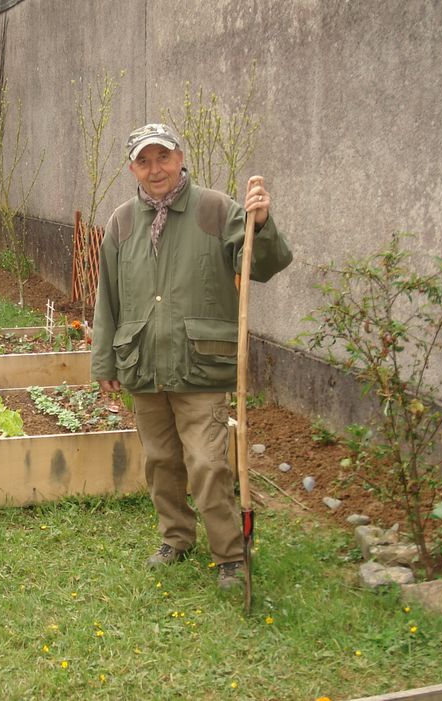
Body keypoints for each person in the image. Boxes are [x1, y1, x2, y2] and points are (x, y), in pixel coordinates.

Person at [90, 123, 292, 590]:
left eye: (163, 157)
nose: (155, 169)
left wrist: (259, 226)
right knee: (160, 461)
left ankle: (229, 556)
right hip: (143, 364)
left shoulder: (217, 209)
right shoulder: (121, 223)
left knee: (206, 462)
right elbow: (108, 299)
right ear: (132, 168)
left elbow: (264, 264)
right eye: (144, 161)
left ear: (181, 157)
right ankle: (176, 537)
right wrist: (104, 363)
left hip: (200, 365)